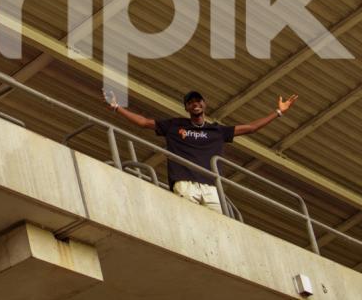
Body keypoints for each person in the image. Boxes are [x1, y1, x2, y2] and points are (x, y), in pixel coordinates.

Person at [102, 89, 298, 213]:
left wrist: (278, 112)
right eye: (191, 102)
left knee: (219, 226)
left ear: (204, 105)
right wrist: (116, 107)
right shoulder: (174, 125)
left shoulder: (217, 130)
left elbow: (251, 128)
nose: (195, 104)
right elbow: (144, 123)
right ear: (187, 107)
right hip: (185, 183)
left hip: (211, 187)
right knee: (188, 220)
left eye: (198, 101)